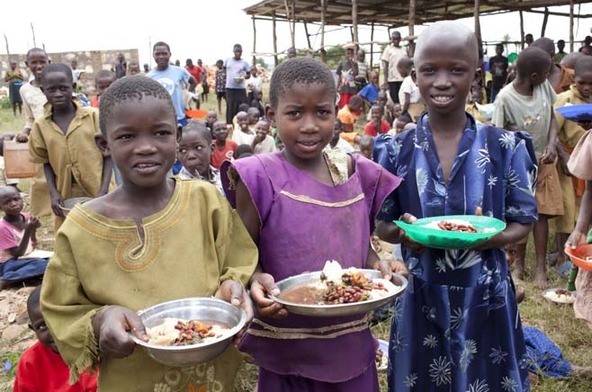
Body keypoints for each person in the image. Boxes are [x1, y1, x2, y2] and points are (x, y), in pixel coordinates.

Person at [39, 76, 258, 391]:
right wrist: (102, 320)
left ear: (177, 136)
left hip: (215, 371)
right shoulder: (80, 228)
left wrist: (231, 288)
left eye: (160, 133)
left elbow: (237, 259)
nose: (146, 147)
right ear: (104, 145)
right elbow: (61, 308)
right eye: (127, 136)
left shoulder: (204, 200)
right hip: (133, 377)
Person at [222, 56, 403, 392]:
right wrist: (255, 278)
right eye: (294, 113)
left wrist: (381, 266)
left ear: (336, 113)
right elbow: (242, 252)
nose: (309, 125)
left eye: (322, 112)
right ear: (272, 116)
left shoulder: (351, 172)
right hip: (287, 344)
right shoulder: (259, 176)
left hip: (348, 341)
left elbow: (360, 245)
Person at [374, 21, 537, 392]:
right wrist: (407, 232)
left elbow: (523, 220)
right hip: (420, 292)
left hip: (486, 294)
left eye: (457, 69)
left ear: (476, 75)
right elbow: (384, 225)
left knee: (486, 379)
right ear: (415, 76)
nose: (442, 81)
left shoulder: (505, 147)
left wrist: (486, 237)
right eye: (430, 70)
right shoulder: (395, 150)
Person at [493, 46, 562, 288]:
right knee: (520, 215)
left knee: (541, 214)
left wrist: (552, 144)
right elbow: (497, 138)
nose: (549, 76)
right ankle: (518, 265)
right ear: (534, 76)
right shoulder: (505, 99)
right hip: (518, 168)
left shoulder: (543, 87)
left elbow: (553, 117)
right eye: (546, 73)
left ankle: (540, 269)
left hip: (544, 162)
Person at [28, 63, 113, 231]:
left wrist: (104, 190)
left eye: (63, 88)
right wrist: (53, 193)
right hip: (64, 192)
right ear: (43, 91)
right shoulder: (41, 126)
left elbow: (109, 155)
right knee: (70, 233)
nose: (58, 94)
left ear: (73, 87)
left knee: (104, 229)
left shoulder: (93, 117)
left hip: (97, 187)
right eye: (51, 90)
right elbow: (45, 162)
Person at [549, 56, 592, 269]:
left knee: (583, 209)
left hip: (588, 159)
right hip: (568, 160)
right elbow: (553, 131)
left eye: (591, 84)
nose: (586, 88)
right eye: (582, 82)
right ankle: (561, 254)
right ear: (574, 80)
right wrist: (563, 157)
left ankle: (580, 252)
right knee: (566, 210)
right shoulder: (565, 100)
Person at [13, 286, 98, 391]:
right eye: (42, 326)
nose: (54, 332)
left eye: (59, 319)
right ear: (33, 329)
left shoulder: (96, 347)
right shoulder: (30, 363)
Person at [16, 48, 51, 219]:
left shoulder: (56, 83)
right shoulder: (25, 90)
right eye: (34, 62)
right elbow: (30, 118)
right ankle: (35, 220)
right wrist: (24, 132)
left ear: (48, 62)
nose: (39, 66)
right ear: (27, 65)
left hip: (60, 137)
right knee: (40, 180)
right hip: (40, 140)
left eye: (42, 62)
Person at [0, 186, 48, 288]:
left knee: (53, 259)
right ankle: (6, 280)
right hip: (7, 264)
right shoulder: (3, 227)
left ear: (21, 199)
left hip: (25, 258)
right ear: (0, 207)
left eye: (16, 199)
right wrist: (28, 230)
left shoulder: (26, 217)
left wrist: (33, 229)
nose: (13, 204)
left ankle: (24, 276)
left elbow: (33, 243)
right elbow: (17, 254)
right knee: (41, 264)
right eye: (7, 202)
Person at [148, 41, 197, 127]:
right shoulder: (149, 77)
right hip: (159, 119)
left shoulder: (179, 71)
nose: (161, 56)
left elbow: (193, 82)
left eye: (164, 53)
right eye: (158, 54)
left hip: (179, 116)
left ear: (170, 54)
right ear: (153, 55)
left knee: (181, 139)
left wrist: (187, 97)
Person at [177, 119, 224, 195]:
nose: (191, 156)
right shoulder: (179, 190)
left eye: (198, 148)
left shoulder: (223, 178)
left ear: (212, 149)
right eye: (183, 150)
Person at [225, 44, 251, 124]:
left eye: (240, 52)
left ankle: (241, 122)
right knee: (230, 106)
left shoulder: (244, 63)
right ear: (233, 51)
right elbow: (223, 69)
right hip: (230, 88)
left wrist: (244, 77)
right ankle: (230, 124)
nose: (238, 53)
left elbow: (248, 74)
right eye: (236, 51)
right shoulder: (228, 61)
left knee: (242, 106)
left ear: (242, 52)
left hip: (240, 88)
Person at [381, 31, 407, 104]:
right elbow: (385, 66)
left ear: (400, 39)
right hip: (392, 79)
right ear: (391, 39)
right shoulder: (388, 49)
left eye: (397, 39)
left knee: (403, 98)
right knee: (394, 99)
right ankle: (394, 115)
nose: (396, 41)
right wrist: (385, 81)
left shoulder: (404, 49)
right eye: (394, 39)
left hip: (403, 78)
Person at [397, 57, 424, 121]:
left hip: (410, 109)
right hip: (419, 107)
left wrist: (402, 113)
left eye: (399, 70)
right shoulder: (416, 78)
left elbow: (407, 101)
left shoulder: (407, 81)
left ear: (403, 68)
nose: (399, 72)